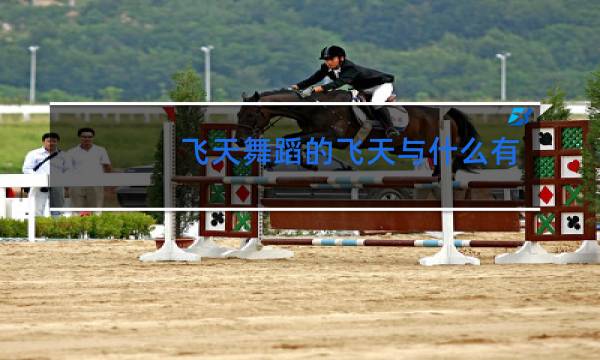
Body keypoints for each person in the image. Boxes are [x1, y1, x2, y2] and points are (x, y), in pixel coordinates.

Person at [292, 45, 399, 137]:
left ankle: (390, 128)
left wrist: (318, 89)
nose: (328, 62)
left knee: (375, 102)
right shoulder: (326, 67)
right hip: (362, 88)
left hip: (381, 86)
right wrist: (298, 86)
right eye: (326, 59)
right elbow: (314, 78)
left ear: (341, 58)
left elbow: (339, 83)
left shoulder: (350, 68)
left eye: (331, 59)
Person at [22, 132, 69, 216]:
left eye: (54, 141)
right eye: (49, 141)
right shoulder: (33, 154)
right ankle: (36, 228)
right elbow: (26, 169)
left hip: (57, 184)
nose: (51, 143)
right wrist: (40, 178)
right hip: (38, 185)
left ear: (57, 142)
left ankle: (57, 228)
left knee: (58, 211)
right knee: (36, 209)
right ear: (43, 142)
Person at [66, 127, 112, 208]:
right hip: (76, 184)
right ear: (80, 137)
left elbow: (107, 167)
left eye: (89, 137)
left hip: (95, 184)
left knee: (96, 209)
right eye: (84, 137)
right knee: (77, 209)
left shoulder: (100, 150)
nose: (87, 139)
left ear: (93, 138)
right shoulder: (71, 152)